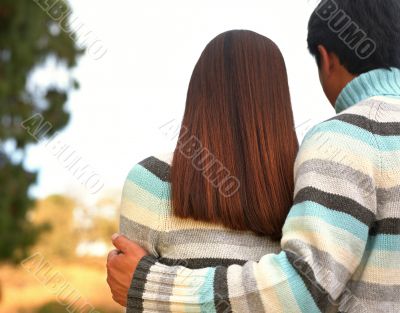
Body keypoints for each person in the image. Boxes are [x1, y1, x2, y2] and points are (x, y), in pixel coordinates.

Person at [107, 0, 400, 311]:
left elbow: (303, 288)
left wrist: (151, 287)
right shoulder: (294, 179)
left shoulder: (340, 143)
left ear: (326, 58)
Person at [109, 29, 299, 312]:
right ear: (279, 99)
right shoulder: (307, 183)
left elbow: (134, 297)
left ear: (199, 93)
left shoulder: (153, 180)